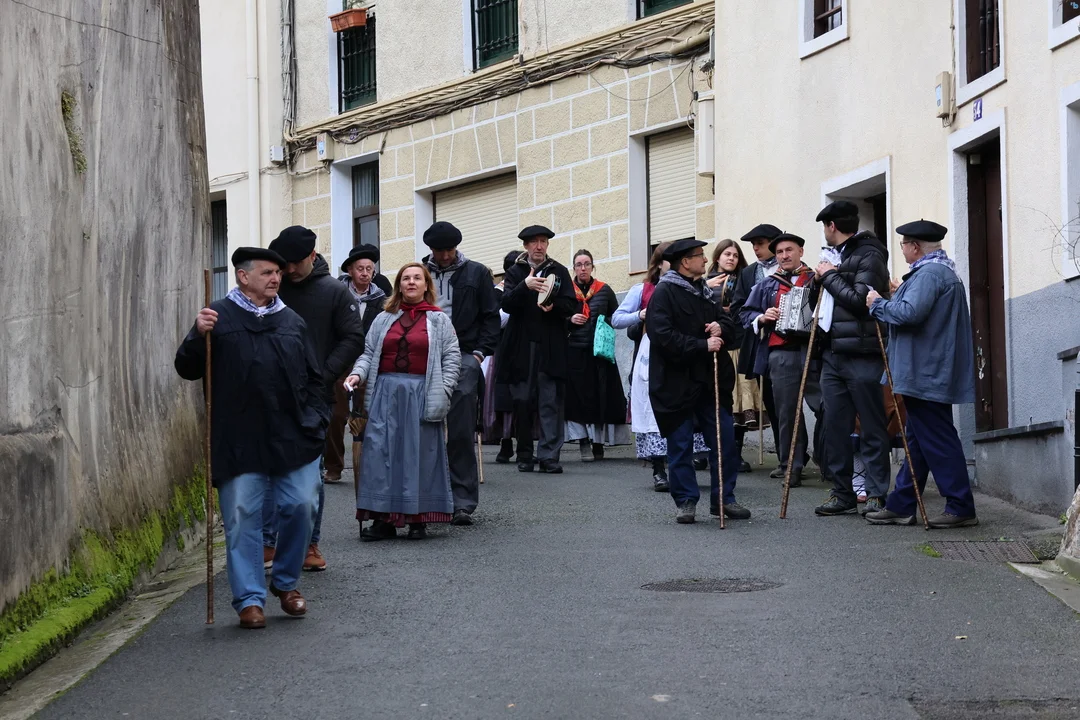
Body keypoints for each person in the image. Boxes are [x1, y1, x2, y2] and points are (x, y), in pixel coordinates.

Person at [174, 247, 325, 629]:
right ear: (243, 276)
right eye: (267, 272)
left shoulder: (291, 320)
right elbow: (187, 368)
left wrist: (317, 419)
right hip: (239, 437)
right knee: (242, 515)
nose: (276, 278)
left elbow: (315, 377)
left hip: (292, 435)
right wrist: (197, 335)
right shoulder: (217, 317)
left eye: (278, 272)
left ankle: (286, 583)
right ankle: (249, 599)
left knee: (302, 505)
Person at [864, 220, 979, 528]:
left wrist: (877, 304)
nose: (902, 249)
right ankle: (902, 504)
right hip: (929, 369)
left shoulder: (929, 274)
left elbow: (909, 314)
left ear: (915, 247)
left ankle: (960, 505)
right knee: (917, 440)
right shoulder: (938, 272)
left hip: (925, 371)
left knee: (938, 439)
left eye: (903, 244)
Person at [265, 226, 365, 572]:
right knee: (268, 467)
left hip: (315, 396)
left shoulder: (334, 292)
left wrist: (324, 373)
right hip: (270, 392)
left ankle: (309, 543)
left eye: (296, 262)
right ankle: (267, 542)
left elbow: (353, 338)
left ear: (312, 255)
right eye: (284, 264)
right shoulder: (273, 289)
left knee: (310, 470)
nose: (289, 269)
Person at [344, 263, 461, 540]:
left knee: (419, 455)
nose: (411, 282)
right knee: (380, 455)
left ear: (426, 285)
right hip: (385, 393)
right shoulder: (384, 318)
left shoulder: (439, 320)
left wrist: (444, 390)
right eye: (405, 278)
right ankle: (382, 520)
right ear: (398, 285)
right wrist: (357, 374)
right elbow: (368, 353)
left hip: (422, 394)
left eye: (417, 278)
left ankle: (417, 519)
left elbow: (452, 358)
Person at [647, 238, 747, 524]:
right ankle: (686, 501)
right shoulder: (664, 292)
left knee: (724, 442)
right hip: (676, 383)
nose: (705, 260)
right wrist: (702, 345)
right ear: (685, 262)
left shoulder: (704, 291)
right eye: (700, 256)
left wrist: (720, 327)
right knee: (680, 446)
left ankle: (724, 499)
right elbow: (661, 335)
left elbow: (728, 325)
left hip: (710, 382)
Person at [811, 201, 892, 518]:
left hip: (862, 352)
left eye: (824, 226)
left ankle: (876, 494)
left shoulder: (870, 254)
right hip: (832, 353)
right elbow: (817, 303)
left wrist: (829, 277)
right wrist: (817, 281)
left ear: (831, 226)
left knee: (871, 426)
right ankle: (842, 492)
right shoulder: (834, 257)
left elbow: (860, 302)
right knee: (835, 426)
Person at [421, 221, 501, 525]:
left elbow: (491, 317)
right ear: (431, 249)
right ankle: (425, 498)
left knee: (461, 426)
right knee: (422, 426)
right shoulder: (419, 273)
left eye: (450, 250)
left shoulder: (476, 273)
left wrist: (479, 354)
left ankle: (462, 502)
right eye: (439, 250)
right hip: (425, 353)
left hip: (466, 353)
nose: (445, 255)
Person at [612, 243, 709, 492]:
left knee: (686, 405)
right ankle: (658, 469)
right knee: (652, 408)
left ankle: (683, 467)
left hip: (683, 352)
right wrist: (640, 314)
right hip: (652, 352)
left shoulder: (694, 287)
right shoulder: (643, 289)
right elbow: (617, 319)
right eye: (670, 259)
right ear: (660, 263)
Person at [739, 233, 821, 488]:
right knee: (787, 413)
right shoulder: (768, 284)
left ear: (801, 251)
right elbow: (745, 312)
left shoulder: (817, 279)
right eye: (780, 252)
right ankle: (791, 466)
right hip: (782, 353)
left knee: (827, 407)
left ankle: (829, 462)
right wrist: (763, 317)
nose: (784, 256)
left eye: (789, 250)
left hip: (815, 351)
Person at [496, 226, 576, 473]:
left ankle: (549, 456)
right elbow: (506, 304)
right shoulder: (515, 272)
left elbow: (570, 304)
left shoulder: (558, 270)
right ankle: (524, 453)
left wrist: (555, 307)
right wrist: (525, 285)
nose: (539, 246)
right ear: (526, 246)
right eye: (534, 242)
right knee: (522, 400)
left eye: (543, 241)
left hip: (550, 345)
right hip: (521, 346)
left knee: (550, 400)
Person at [326, 244, 387, 503]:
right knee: (336, 414)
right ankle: (334, 466)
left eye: (369, 269)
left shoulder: (382, 298)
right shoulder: (337, 293)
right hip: (340, 359)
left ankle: (367, 464)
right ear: (350, 271)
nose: (364, 273)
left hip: (369, 360)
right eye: (360, 268)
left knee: (365, 414)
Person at [564, 249, 629, 462]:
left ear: (593, 267)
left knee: (601, 398)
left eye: (587, 264)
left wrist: (603, 322)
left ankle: (599, 443)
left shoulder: (604, 290)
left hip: (599, 353)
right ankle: (583, 441)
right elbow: (556, 318)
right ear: (574, 268)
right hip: (575, 351)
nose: (583, 268)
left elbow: (616, 317)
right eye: (579, 265)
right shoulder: (566, 291)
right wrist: (570, 320)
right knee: (578, 400)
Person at [707, 239, 766, 473]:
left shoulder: (746, 279)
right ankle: (707, 451)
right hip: (715, 347)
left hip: (740, 345)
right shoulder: (705, 281)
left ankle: (735, 453)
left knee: (740, 402)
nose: (731, 258)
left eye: (735, 255)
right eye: (727, 254)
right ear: (717, 257)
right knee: (713, 402)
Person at [729, 224, 784, 477]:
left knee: (788, 404)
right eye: (753, 245)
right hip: (759, 345)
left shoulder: (791, 267)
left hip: (789, 345)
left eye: (760, 243)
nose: (755, 249)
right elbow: (738, 308)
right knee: (771, 401)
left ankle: (795, 456)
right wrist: (759, 317)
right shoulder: (749, 273)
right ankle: (785, 459)